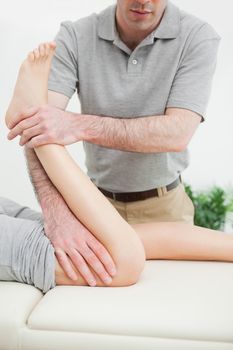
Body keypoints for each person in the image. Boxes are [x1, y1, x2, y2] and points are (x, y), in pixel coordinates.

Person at [5, 0, 221, 286]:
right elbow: (40, 126)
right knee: (36, 120)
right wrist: (56, 214)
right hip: (97, 202)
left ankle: (26, 104)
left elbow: (176, 134)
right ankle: (26, 106)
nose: (144, 1)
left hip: (165, 204)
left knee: (167, 302)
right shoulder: (76, 35)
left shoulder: (197, 36)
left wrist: (77, 124)